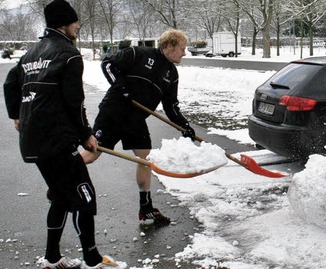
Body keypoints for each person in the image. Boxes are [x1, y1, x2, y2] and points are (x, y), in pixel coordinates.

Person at [3, 0, 126, 268]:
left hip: (32, 142)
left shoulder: (30, 53)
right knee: (84, 196)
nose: (78, 25)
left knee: (61, 195)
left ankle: (52, 258)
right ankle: (93, 260)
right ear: (64, 23)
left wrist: (17, 115)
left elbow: (10, 83)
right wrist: (86, 135)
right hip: (57, 141)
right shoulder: (68, 54)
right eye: (75, 22)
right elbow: (75, 101)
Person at [81, 28, 195, 226]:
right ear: (169, 46)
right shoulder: (138, 54)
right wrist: (120, 87)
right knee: (92, 154)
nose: (184, 53)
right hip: (114, 112)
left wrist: (184, 126)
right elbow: (108, 64)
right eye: (182, 49)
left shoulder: (172, 74)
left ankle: (146, 208)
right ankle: (60, 178)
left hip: (136, 120)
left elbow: (171, 106)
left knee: (145, 158)